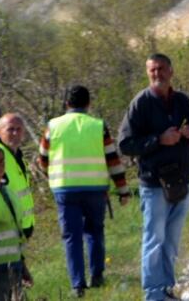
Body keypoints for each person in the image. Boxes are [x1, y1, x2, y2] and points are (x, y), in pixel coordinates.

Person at [119, 54, 189, 301]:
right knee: (154, 240)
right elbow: (126, 144)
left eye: (161, 69)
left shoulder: (182, 101)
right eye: (153, 70)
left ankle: (167, 288)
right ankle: (153, 294)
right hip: (154, 184)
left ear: (171, 72)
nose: (157, 74)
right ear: (148, 73)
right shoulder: (140, 104)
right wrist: (158, 140)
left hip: (181, 181)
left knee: (171, 241)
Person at [40, 85, 130, 298]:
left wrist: (53, 175)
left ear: (66, 104)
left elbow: (43, 159)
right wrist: (123, 190)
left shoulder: (52, 126)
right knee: (94, 231)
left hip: (65, 188)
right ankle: (97, 276)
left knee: (71, 236)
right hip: (95, 188)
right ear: (89, 104)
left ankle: (77, 285)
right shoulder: (98, 126)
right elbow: (113, 160)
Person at [0, 145, 31, 300]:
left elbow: (14, 232)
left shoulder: (9, 192)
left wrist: (22, 265)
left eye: (1, 162)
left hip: (13, 267)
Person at [0, 115, 34, 239]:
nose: (15, 133)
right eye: (10, 129)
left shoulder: (18, 157)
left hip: (22, 227)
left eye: (19, 129)